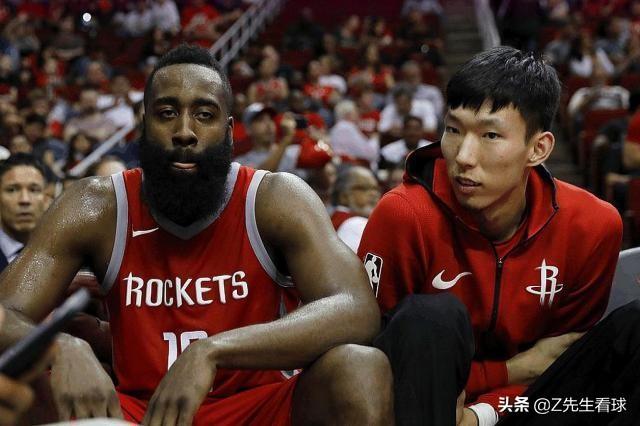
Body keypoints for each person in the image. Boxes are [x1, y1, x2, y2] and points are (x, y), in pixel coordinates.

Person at [0, 44, 393, 425]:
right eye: (167, 113)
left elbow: (356, 308)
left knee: (360, 367)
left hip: (254, 409)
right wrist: (60, 346)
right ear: (144, 124)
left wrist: (213, 351)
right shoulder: (95, 206)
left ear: (228, 131)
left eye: (204, 115)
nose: (184, 131)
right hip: (138, 412)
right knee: (18, 382)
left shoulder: (274, 198)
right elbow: (5, 311)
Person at [359, 46, 635, 426]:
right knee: (431, 316)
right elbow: (371, 363)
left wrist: (482, 413)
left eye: (490, 135)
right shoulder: (404, 214)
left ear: (538, 149)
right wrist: (506, 370)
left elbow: (559, 364)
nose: (463, 156)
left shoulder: (593, 225)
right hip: (425, 409)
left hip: (531, 406)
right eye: (453, 130)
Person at [0, 154, 48, 272]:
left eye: (34, 190)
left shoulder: (65, 255)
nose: (24, 200)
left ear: (46, 199)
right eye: (12, 190)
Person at [331, 166, 381, 252]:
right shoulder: (356, 224)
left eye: (375, 189)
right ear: (344, 196)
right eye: (362, 188)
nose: (373, 194)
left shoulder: (333, 220)